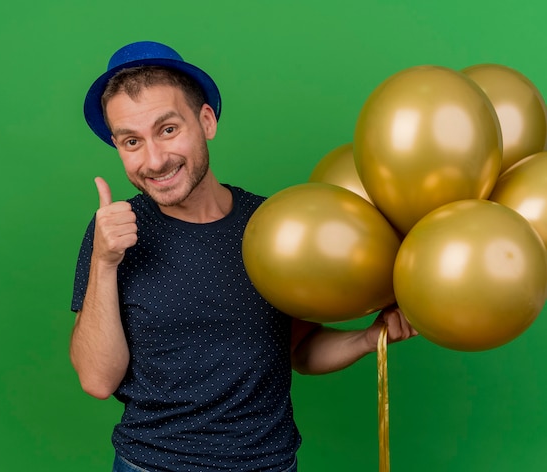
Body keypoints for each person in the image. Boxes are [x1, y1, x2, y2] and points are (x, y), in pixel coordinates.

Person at [70, 41, 417, 472]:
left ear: (207, 121)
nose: (154, 160)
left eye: (168, 129)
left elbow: (300, 349)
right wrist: (104, 262)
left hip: (267, 465)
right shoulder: (113, 232)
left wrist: (370, 337)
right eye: (131, 141)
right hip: (150, 465)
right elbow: (97, 380)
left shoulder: (274, 227)